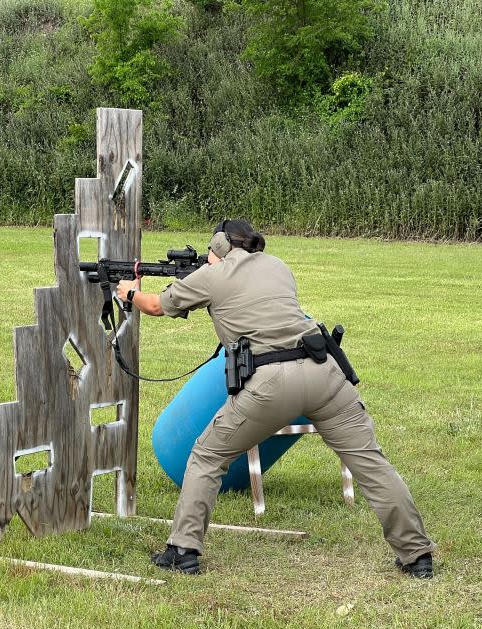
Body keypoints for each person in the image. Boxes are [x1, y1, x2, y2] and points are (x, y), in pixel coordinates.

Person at [116, 219, 436, 578]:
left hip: (270, 383)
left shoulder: (212, 276)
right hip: (325, 373)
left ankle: (182, 550)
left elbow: (157, 306)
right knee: (371, 465)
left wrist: (128, 292)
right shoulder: (278, 266)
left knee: (207, 456)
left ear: (220, 245)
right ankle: (417, 556)